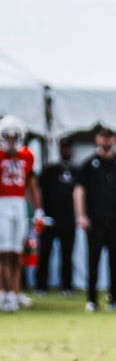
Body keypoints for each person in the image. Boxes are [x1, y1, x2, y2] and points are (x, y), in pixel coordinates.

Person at [75, 125, 116, 311]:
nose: (106, 140)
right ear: (97, 139)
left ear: (114, 138)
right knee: (93, 260)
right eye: (102, 137)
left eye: (109, 137)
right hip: (95, 220)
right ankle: (92, 299)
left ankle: (114, 297)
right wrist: (81, 215)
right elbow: (79, 190)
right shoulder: (89, 164)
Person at [0, 117, 39, 312]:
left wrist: (38, 209)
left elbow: (31, 184)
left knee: (16, 253)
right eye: (8, 135)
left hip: (19, 204)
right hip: (2, 204)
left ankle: (14, 292)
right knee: (4, 252)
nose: (12, 140)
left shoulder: (27, 156)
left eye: (15, 136)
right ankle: (4, 293)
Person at [34, 138, 78, 295]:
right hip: (50, 218)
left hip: (68, 219)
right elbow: (38, 190)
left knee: (67, 255)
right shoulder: (50, 170)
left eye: (69, 148)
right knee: (45, 253)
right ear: (59, 150)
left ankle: (67, 286)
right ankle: (41, 285)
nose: (67, 151)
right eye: (64, 148)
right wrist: (41, 213)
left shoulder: (76, 170)